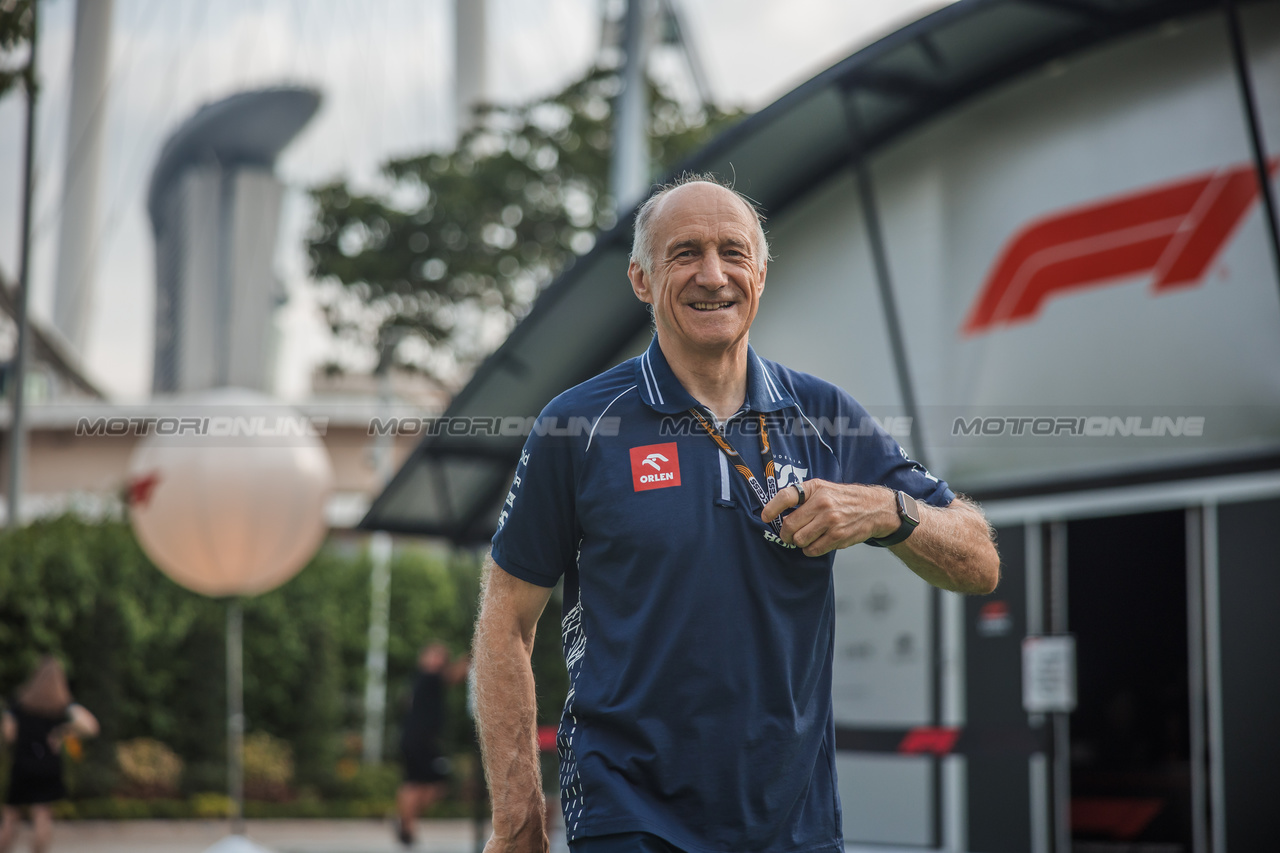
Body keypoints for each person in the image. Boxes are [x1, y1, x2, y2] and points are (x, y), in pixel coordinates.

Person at [472, 175, 1001, 853]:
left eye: (732, 252)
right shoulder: (577, 424)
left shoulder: (824, 415)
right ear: (640, 279)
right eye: (684, 253)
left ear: (761, 272)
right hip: (629, 811)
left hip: (795, 822)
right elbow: (506, 615)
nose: (712, 275)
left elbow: (979, 559)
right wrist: (517, 817)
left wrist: (883, 509)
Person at [1, 657, 99, 853]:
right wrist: (65, 730)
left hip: (23, 764)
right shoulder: (62, 706)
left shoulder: (19, 704)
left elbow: (8, 734)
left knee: (11, 817)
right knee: (42, 815)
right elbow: (90, 726)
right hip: (48, 765)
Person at [396, 643, 469, 847]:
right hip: (420, 740)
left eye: (441, 657)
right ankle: (406, 824)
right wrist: (474, 652)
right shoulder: (429, 677)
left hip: (417, 739)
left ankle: (406, 823)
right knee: (428, 785)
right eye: (433, 655)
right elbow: (455, 675)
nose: (437, 660)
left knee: (418, 783)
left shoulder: (420, 681)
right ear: (424, 659)